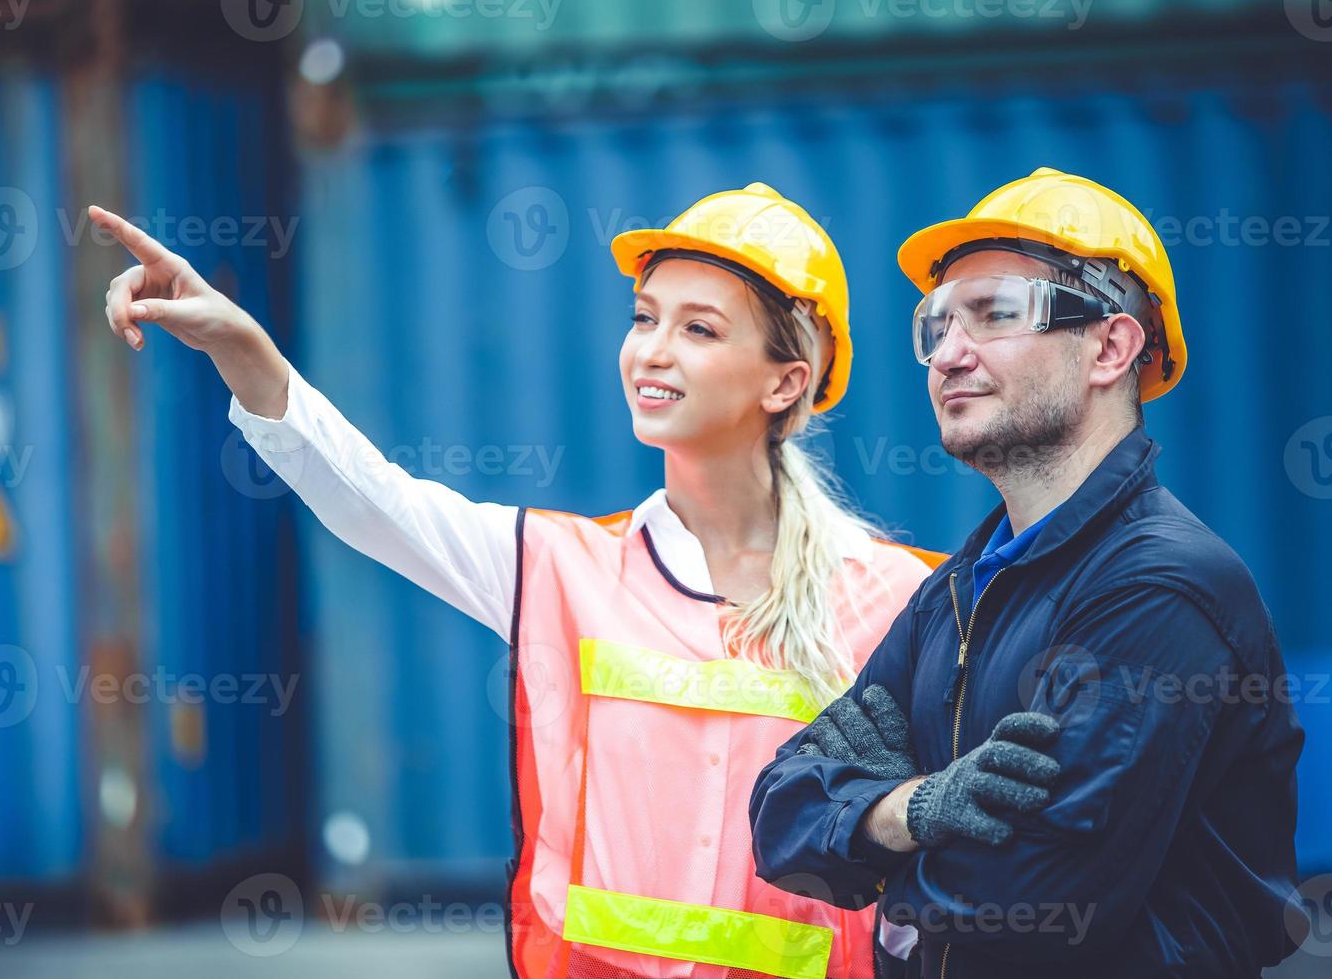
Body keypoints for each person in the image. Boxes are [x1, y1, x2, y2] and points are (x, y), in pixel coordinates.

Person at [91, 182, 941, 978]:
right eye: (645, 318)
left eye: (700, 330)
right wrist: (243, 347)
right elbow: (373, 501)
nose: (651, 350)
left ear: (786, 380)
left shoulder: (895, 597)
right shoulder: (560, 568)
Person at [749, 168, 1305, 977]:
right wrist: (915, 807)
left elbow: (1029, 909)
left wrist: (874, 848)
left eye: (994, 315)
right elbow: (779, 819)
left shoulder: (1160, 588)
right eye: (936, 326)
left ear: (1110, 347)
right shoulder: (956, 594)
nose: (946, 356)